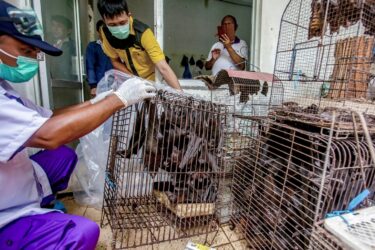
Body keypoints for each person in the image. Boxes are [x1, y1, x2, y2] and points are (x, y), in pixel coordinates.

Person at [0, 1, 156, 249]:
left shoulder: (4, 88)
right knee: (83, 232)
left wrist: (98, 101)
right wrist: (118, 99)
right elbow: (48, 134)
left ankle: (42, 203)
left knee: (63, 155)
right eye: (25, 50)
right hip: (6, 208)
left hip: (14, 178)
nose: (31, 59)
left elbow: (49, 116)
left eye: (33, 53)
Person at [97, 0, 182, 90]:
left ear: (129, 15)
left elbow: (163, 67)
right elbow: (114, 61)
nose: (119, 28)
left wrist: (181, 94)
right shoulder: (106, 33)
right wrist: (133, 79)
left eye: (122, 23)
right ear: (104, 21)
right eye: (112, 25)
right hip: (132, 81)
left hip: (154, 81)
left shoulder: (142, 33)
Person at [85, 20, 113, 97]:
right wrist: (93, 86)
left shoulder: (116, 46)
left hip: (115, 83)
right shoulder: (93, 46)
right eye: (102, 30)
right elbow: (90, 66)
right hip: (99, 84)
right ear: (98, 32)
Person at [49, 15, 76, 81]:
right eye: (53, 25)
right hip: (51, 82)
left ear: (68, 30)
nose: (55, 29)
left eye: (59, 26)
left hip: (68, 83)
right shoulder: (48, 43)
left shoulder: (74, 45)